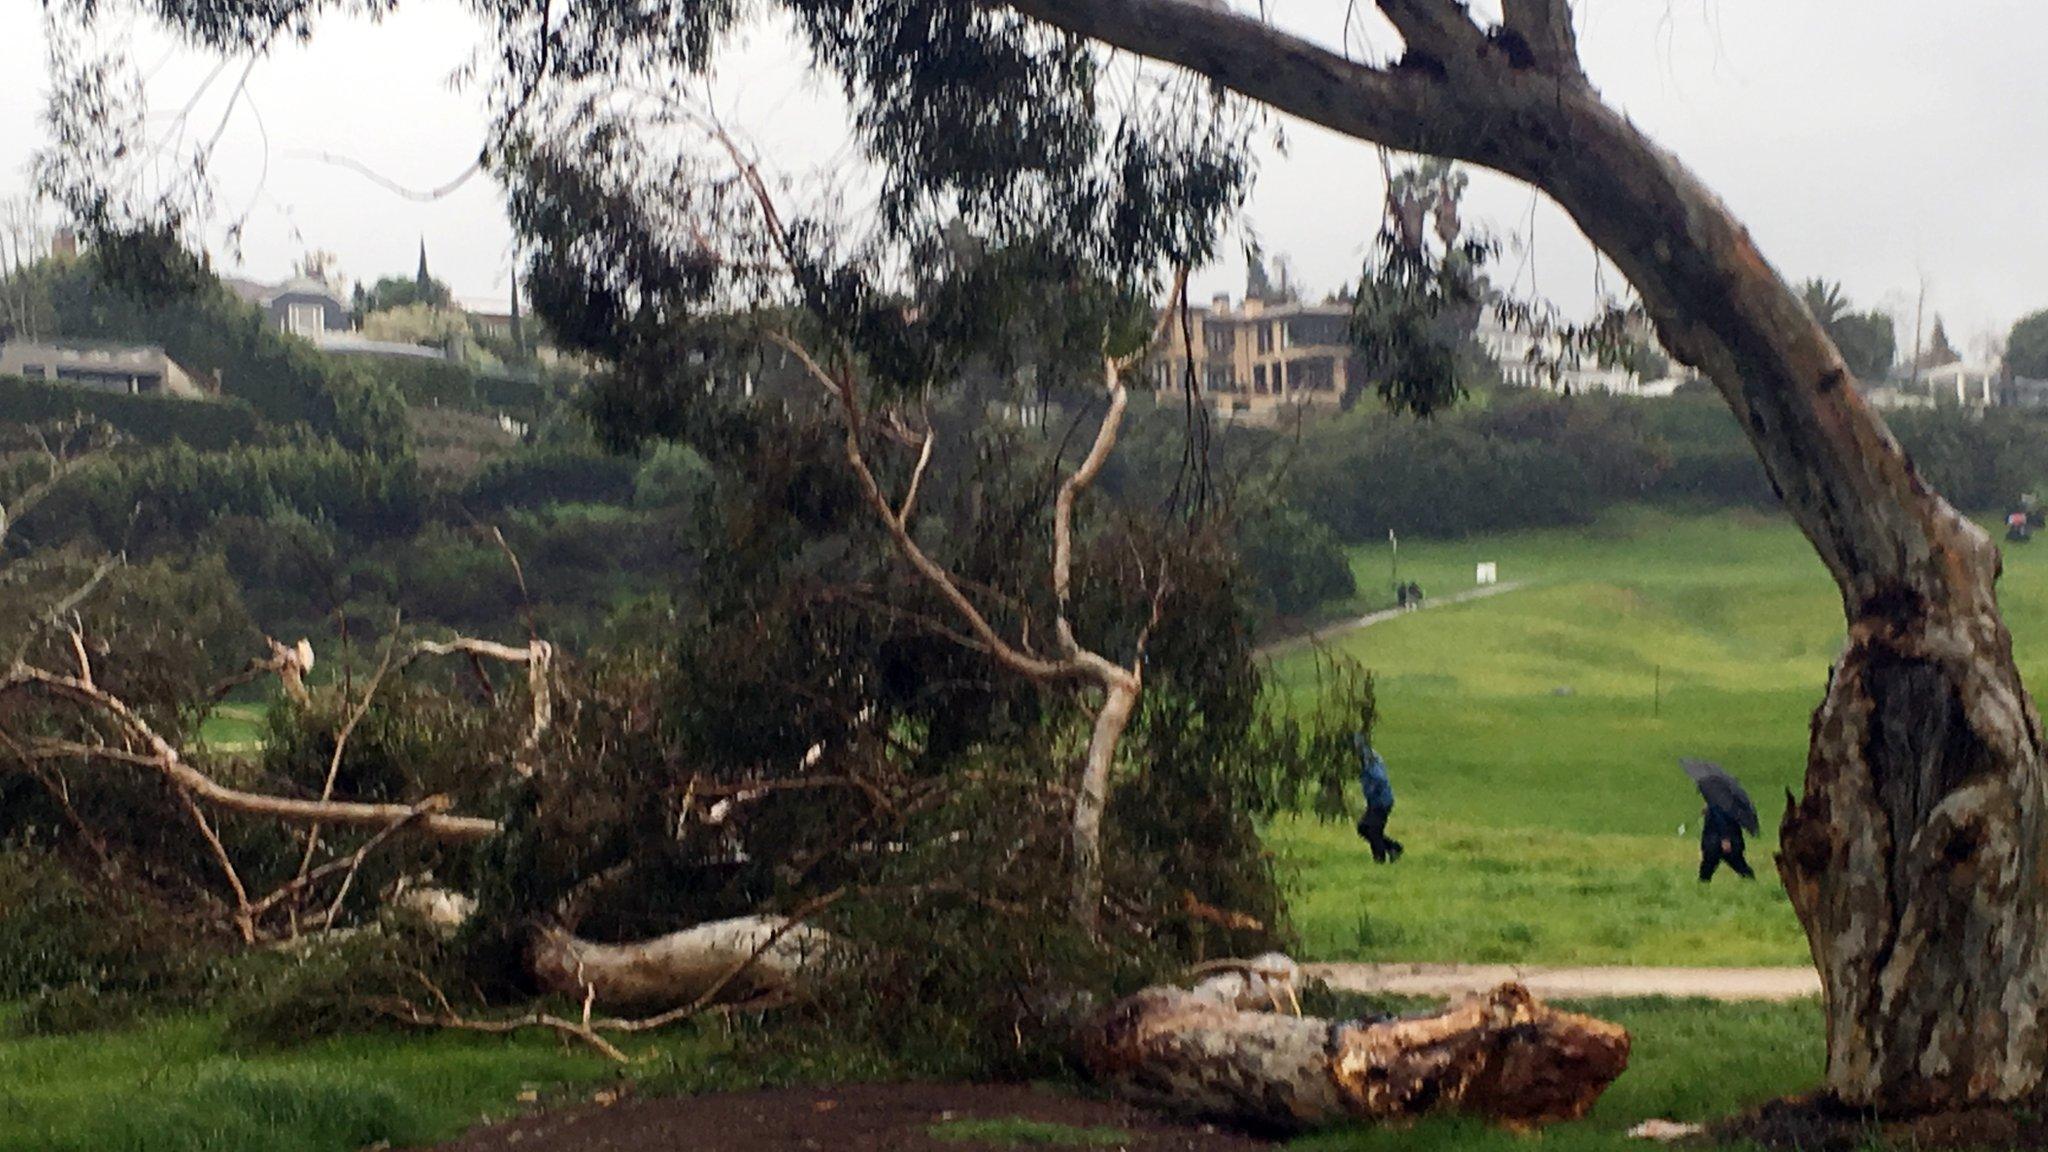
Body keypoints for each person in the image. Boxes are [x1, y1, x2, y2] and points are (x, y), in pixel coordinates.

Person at [1353, 733, 1403, 863]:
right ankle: (1393, 847)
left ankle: (1380, 859)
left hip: (1381, 801)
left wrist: (1372, 790)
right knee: (1364, 828)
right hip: (1375, 801)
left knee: (1373, 830)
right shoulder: (1368, 755)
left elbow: (1379, 777)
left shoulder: (1368, 758)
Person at [1698, 802, 1755, 882]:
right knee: (1743, 870)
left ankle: (1702, 890)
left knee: (1706, 873)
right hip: (1719, 841)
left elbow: (1721, 819)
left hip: (1718, 842)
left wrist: (1725, 838)